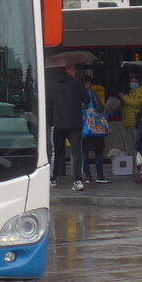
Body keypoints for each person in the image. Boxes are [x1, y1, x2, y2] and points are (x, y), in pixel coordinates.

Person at [47, 63, 90, 191]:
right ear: (67, 70)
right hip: (75, 123)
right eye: (73, 68)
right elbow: (87, 99)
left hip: (58, 124)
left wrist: (51, 122)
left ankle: (53, 179)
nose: (75, 70)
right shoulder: (77, 84)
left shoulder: (51, 85)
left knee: (57, 152)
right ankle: (77, 180)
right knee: (77, 152)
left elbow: (48, 106)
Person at [80, 76, 112, 183]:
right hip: (96, 129)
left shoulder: (79, 95)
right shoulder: (93, 94)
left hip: (85, 129)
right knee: (98, 153)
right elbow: (101, 108)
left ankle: (88, 176)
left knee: (84, 153)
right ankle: (100, 175)